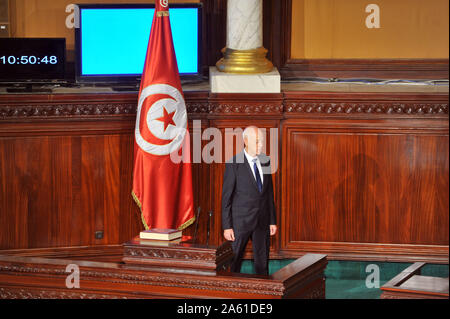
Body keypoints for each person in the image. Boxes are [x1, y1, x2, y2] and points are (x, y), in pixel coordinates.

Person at [221, 126, 277, 276]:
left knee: (262, 262)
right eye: (257, 141)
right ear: (246, 141)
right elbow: (227, 198)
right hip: (240, 222)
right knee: (234, 262)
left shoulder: (265, 161)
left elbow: (269, 194)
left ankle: (263, 293)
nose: (261, 145)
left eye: (262, 141)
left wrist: (272, 220)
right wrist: (227, 227)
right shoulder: (234, 163)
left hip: (262, 221)